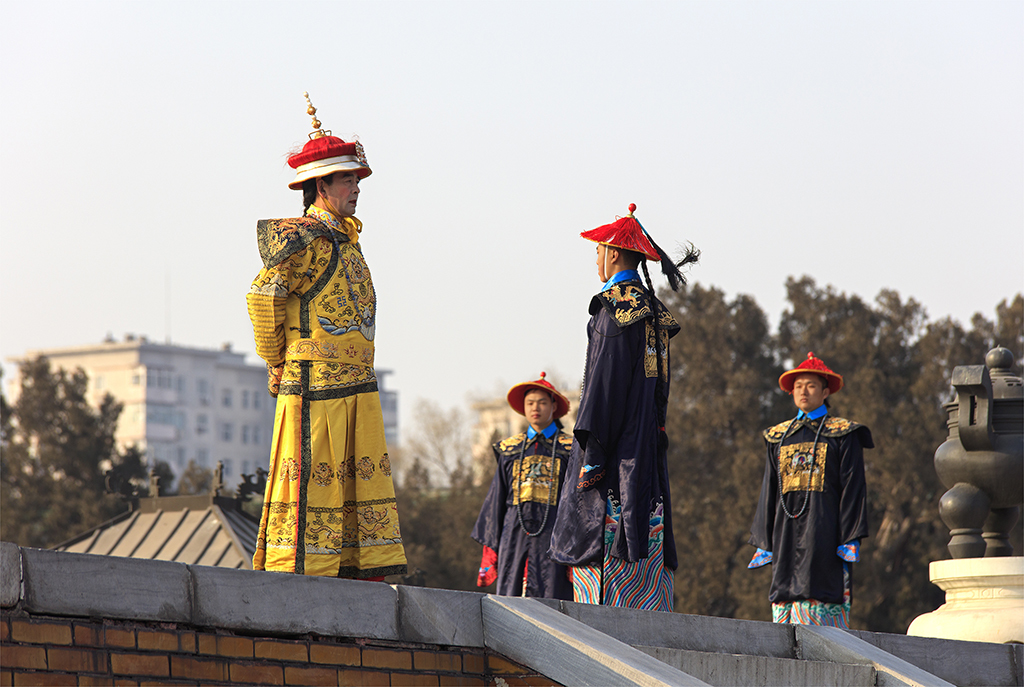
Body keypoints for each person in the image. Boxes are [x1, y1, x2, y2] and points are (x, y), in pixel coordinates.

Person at [246, 93, 407, 579]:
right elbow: (262, 295)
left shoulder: (348, 242)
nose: (355, 187)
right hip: (314, 388)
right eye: (346, 179)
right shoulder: (305, 238)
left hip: (358, 388)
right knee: (310, 493)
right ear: (320, 184)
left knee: (358, 499)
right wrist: (276, 360)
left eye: (357, 179)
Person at [548, 203, 698, 611]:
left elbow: (603, 390)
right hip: (645, 454)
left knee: (601, 578)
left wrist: (593, 456)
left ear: (613, 253)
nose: (596, 258)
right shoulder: (653, 314)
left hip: (614, 458)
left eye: (597, 250)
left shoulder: (612, 310)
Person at [748, 352, 871, 627]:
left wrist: (849, 536)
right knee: (784, 588)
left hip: (824, 528)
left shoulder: (843, 434)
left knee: (822, 583)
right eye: (798, 386)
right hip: (785, 531)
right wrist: (764, 539)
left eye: (812, 385)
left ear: (826, 391)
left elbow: (853, 488)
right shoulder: (777, 436)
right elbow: (769, 487)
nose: (803, 391)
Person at [472, 372, 574, 599]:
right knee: (512, 596)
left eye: (542, 402)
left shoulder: (570, 449)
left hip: (555, 534)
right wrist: (491, 546)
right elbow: (497, 499)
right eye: (530, 403)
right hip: (514, 534)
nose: (535, 408)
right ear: (524, 408)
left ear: (554, 406)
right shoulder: (509, 449)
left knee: (555, 597)